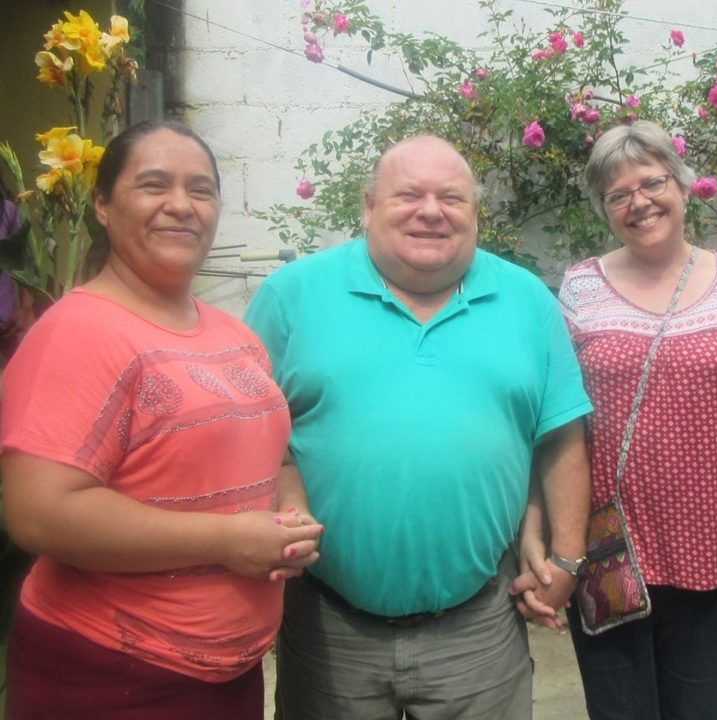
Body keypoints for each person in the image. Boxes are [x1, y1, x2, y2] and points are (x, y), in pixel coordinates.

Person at [244, 134, 593, 720]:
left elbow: (561, 437)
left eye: (451, 198)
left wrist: (567, 560)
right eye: (408, 195)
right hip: (330, 631)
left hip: (478, 630)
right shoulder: (291, 297)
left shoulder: (527, 300)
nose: (431, 211)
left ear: (475, 213)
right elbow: (247, 436)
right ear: (368, 207)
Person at [0, 121, 323, 719]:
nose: (181, 205)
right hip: (109, 671)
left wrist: (291, 514)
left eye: (201, 190)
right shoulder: (79, 332)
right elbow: (39, 512)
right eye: (154, 185)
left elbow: (275, 458)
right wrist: (228, 541)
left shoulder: (232, 334)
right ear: (102, 204)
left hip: (227, 676)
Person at [545, 120, 717, 720]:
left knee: (699, 710)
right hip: (609, 551)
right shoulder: (580, 287)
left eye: (652, 183)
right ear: (605, 209)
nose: (639, 203)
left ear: (683, 186)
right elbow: (559, 427)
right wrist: (554, 546)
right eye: (618, 194)